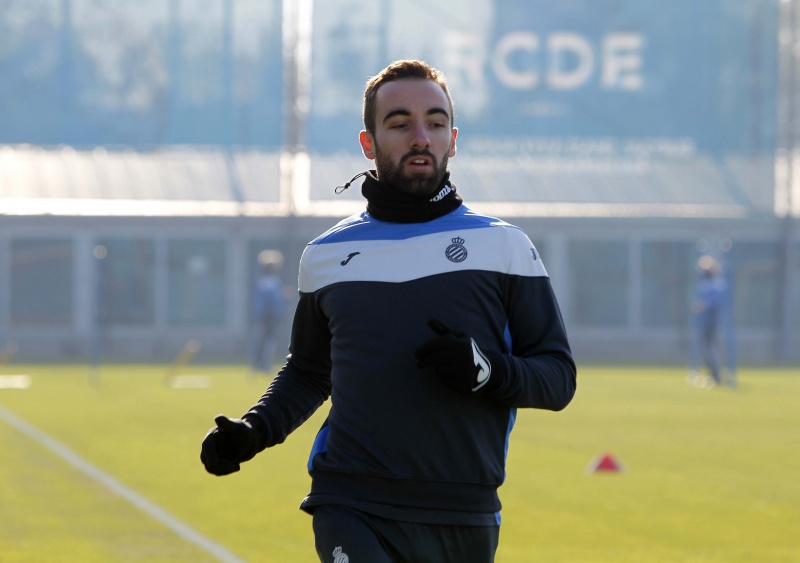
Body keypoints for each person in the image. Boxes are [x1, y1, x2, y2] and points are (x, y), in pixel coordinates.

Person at [201, 59, 577, 562]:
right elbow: (310, 370)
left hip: (464, 513)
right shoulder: (326, 255)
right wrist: (255, 429)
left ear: (452, 139)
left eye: (435, 123)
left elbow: (558, 378)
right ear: (368, 143)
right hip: (350, 499)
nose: (420, 137)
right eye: (400, 124)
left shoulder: (504, 246)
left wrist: (488, 371)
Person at [688, 255, 728, 388]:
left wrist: (703, 305)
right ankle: (711, 375)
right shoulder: (704, 284)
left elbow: (715, 302)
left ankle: (716, 376)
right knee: (704, 349)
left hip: (711, 322)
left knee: (709, 349)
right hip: (703, 322)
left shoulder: (716, 284)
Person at [250, 249, 287, 372]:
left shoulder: (268, 279)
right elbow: (273, 298)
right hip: (268, 314)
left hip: (268, 314)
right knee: (267, 340)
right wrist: (283, 296)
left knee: (266, 339)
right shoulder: (268, 280)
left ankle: (261, 364)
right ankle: (263, 364)